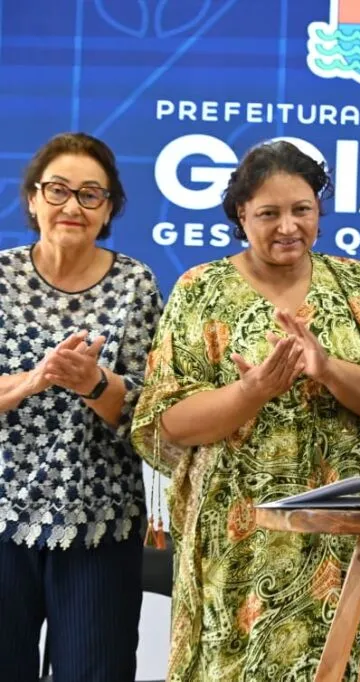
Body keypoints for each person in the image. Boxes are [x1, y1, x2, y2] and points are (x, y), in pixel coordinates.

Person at [131, 140, 360, 682]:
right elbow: (166, 422)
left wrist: (329, 369)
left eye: (302, 210)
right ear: (241, 214)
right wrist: (251, 392)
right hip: (236, 536)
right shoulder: (200, 291)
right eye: (268, 213)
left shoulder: (359, 285)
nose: (288, 226)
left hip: (344, 534)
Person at [0, 132, 163, 681]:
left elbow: (152, 412)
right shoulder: (1, 277)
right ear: (33, 199)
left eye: (91, 194)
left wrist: (94, 384)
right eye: (58, 190)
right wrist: (33, 380)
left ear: (109, 208)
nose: (73, 205)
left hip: (100, 522)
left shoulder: (135, 284)